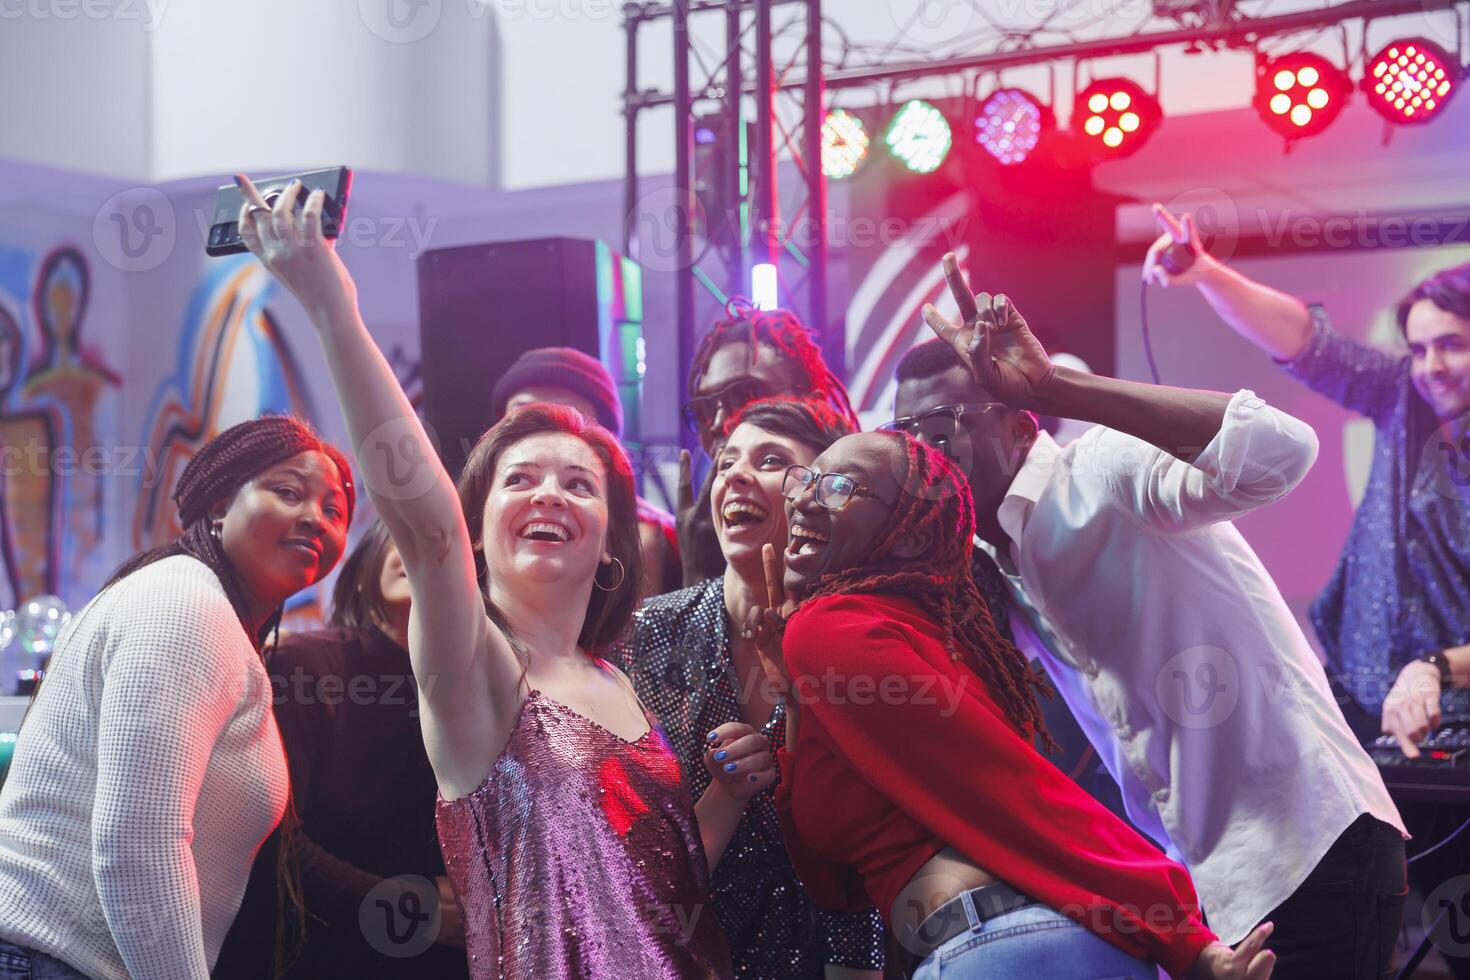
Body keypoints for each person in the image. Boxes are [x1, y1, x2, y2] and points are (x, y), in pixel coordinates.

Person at [236, 173, 771, 979]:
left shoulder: (621, 682)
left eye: (578, 482)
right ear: (477, 534)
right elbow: (425, 523)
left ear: (610, 541)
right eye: (520, 480)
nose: (550, 491)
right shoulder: (480, 672)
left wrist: (726, 797)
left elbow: (654, 890)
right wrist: (330, 306)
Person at [892, 254, 1405, 978]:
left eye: (942, 423)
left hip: (1311, 850)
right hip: (1199, 888)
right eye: (905, 432)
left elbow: (1284, 451)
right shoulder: (985, 561)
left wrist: (1056, 382)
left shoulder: (1100, 469)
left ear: (1018, 423)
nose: (923, 450)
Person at [752, 429, 1275, 979]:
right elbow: (835, 887)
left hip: (1010, 950)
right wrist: (791, 699)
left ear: (906, 540)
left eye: (839, 487)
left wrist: (1187, 940)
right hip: (1022, 947)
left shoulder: (833, 629)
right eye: (806, 479)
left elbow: (1017, 796)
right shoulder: (886, 638)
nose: (805, 497)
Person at [1144, 206, 1470, 976]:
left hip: (1449, 706)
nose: (1431, 365)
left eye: (1452, 344)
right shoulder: (1405, 402)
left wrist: (1436, 667)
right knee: (1378, 925)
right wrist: (1205, 271)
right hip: (1368, 709)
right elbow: (1305, 341)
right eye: (1420, 347)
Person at [0, 415, 355, 979]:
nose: (314, 517)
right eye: (287, 492)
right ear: (218, 506)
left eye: (334, 511)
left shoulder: (200, 608)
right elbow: (138, 845)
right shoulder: (186, 606)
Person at [613, 398, 885, 979]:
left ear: (826, 494)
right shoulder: (644, 634)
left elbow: (869, 854)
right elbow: (618, 850)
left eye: (769, 460)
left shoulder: (866, 646)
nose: (735, 475)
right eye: (727, 461)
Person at [218, 521, 469, 978]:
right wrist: (402, 905)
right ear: (368, 558)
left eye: (446, 543)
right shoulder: (307, 666)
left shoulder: (476, 698)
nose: (420, 550)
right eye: (403, 533)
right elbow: (268, 842)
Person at [679, 304, 859, 586]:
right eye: (704, 408)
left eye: (744, 394)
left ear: (812, 403)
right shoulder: (678, 535)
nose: (718, 421)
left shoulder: (865, 522)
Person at [492, 346, 681, 598]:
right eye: (523, 415)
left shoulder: (648, 537)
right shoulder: (460, 523)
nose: (539, 432)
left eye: (564, 416)